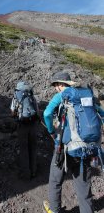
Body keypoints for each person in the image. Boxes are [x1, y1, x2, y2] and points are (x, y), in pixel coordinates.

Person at [42, 72, 104, 213]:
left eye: (56, 85)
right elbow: (102, 113)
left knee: (55, 180)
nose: (55, 89)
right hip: (88, 147)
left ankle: (54, 210)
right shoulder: (87, 95)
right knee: (83, 186)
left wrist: (52, 131)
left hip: (65, 148)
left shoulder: (61, 96)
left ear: (60, 85)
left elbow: (47, 113)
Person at [10, 81, 39, 180]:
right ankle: (34, 171)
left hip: (22, 125)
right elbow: (37, 111)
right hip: (33, 125)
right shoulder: (31, 96)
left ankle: (25, 174)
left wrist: (16, 116)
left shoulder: (16, 96)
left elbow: (13, 112)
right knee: (33, 148)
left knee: (24, 150)